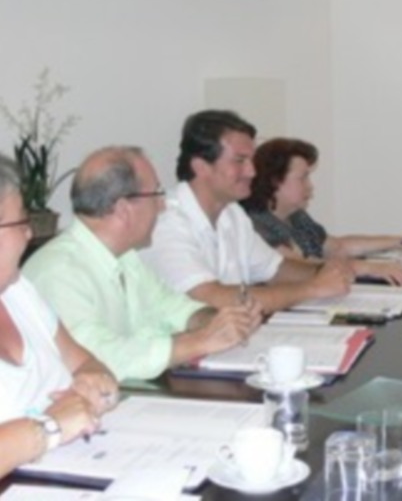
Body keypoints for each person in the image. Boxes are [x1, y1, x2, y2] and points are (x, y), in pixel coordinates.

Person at [23, 147, 262, 381]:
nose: (163, 206)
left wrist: (218, 321)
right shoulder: (59, 271)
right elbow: (98, 358)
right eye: (157, 194)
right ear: (124, 209)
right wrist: (200, 340)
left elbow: (170, 306)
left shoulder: (125, 257)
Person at [142, 110, 353, 312]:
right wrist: (312, 288)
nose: (252, 172)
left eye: (251, 161)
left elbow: (276, 270)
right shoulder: (164, 220)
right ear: (201, 166)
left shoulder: (232, 213)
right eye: (240, 161)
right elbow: (212, 298)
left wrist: (325, 272)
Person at [0, 154, 118, 477]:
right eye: (20, 223)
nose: (29, 235)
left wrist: (95, 384)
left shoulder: (18, 290)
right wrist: (49, 426)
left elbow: (84, 362)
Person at [241, 138, 402, 285]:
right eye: (303, 178)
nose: (310, 186)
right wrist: (368, 267)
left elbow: (338, 247)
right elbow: (298, 267)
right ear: (275, 181)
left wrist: (400, 241)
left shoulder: (296, 217)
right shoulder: (256, 223)